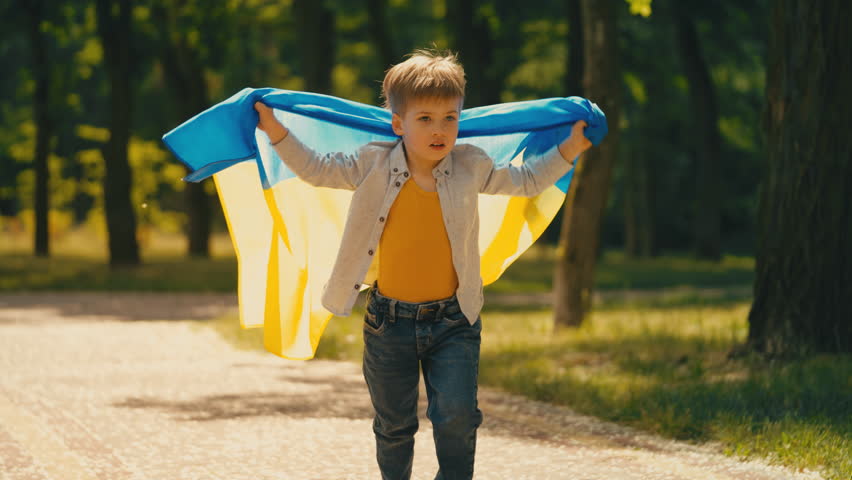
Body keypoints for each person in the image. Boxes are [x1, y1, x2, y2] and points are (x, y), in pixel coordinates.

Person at [254, 49, 592, 480]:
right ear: (399, 124)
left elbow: (525, 181)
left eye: (450, 118)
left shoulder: (471, 165)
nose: (440, 130)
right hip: (388, 322)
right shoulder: (372, 163)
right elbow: (317, 169)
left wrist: (570, 148)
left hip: (454, 321)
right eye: (425, 119)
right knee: (394, 427)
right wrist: (274, 129)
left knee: (456, 418)